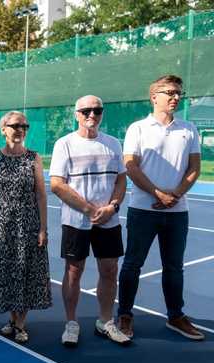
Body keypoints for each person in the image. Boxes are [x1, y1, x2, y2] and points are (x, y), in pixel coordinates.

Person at [118, 75, 204, 341]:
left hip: (177, 212)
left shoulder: (188, 129)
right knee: (132, 265)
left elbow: (194, 168)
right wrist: (157, 193)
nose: (176, 97)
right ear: (154, 96)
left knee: (174, 267)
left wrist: (175, 195)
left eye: (179, 93)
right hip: (143, 210)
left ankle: (175, 316)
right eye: (170, 92)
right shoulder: (138, 128)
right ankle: (124, 315)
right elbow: (130, 166)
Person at [50, 95, 131, 347]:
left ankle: (105, 322)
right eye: (86, 111)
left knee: (109, 270)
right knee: (74, 271)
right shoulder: (64, 144)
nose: (92, 115)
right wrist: (88, 209)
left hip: (109, 220)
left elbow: (121, 179)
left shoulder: (113, 143)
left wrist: (112, 207)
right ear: (76, 114)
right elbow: (56, 184)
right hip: (76, 221)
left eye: (97, 110)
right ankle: (71, 323)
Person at [0, 111, 51, 343]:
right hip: (1, 225)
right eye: (14, 125)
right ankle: (12, 319)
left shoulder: (34, 158)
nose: (20, 129)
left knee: (26, 273)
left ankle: (21, 323)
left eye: (24, 126)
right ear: (3, 129)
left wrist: (43, 228)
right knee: (8, 273)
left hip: (28, 224)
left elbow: (41, 194)